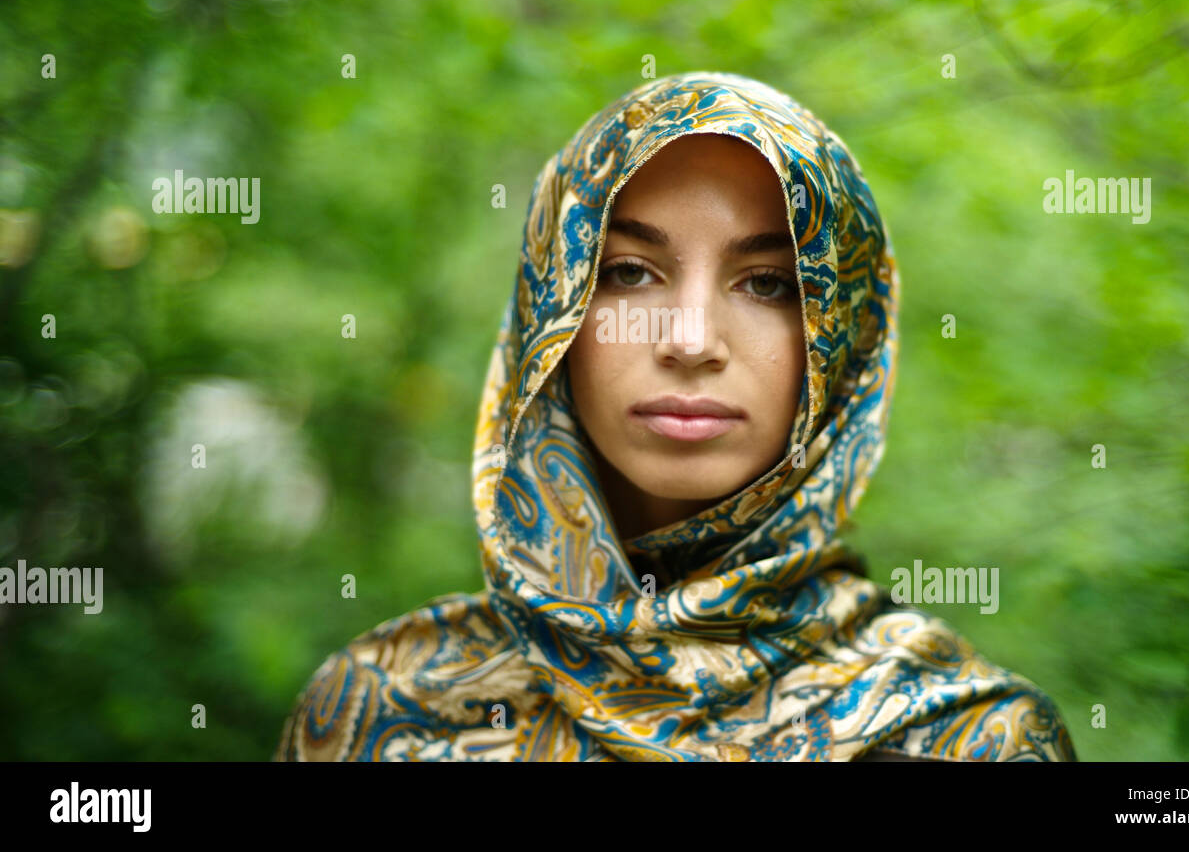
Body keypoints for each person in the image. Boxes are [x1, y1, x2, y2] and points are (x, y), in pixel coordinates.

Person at [274, 70, 1077, 762]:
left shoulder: (969, 733)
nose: (689, 340)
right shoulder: (376, 710)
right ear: (551, 315)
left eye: (766, 283)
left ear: (839, 339)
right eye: (629, 272)